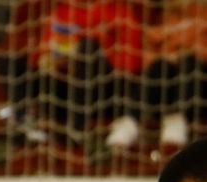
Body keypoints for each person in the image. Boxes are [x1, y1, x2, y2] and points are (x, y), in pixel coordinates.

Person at [26, 0, 146, 148]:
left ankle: (77, 127)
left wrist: (99, 47)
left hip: (108, 90)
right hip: (65, 85)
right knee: (22, 63)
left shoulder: (120, 10)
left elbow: (132, 64)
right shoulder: (63, 11)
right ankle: (24, 121)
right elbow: (40, 57)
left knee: (88, 49)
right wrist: (57, 62)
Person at [141, 0, 207, 146]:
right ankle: (131, 122)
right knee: (161, 66)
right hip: (170, 84)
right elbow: (147, 59)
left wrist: (190, 51)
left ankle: (179, 120)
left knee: (189, 62)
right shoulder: (162, 19)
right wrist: (170, 57)